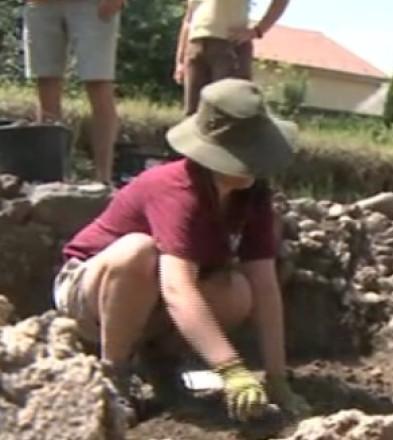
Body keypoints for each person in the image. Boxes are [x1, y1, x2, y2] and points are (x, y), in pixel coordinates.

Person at [51, 78, 310, 423]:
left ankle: (161, 366)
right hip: (89, 294)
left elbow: (264, 286)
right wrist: (230, 368)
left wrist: (277, 378)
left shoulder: (253, 196)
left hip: (154, 303)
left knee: (236, 290)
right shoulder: (176, 188)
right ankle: (114, 374)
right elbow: (177, 288)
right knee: (138, 251)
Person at [22, 0, 122, 184]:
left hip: (92, 5)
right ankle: (51, 177)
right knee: (46, 81)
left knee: (98, 82)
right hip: (41, 4)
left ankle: (103, 179)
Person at [173, 0, 290, 115]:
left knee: (227, 113)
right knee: (192, 115)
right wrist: (180, 61)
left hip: (229, 46)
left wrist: (258, 30)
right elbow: (188, 20)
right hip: (195, 47)